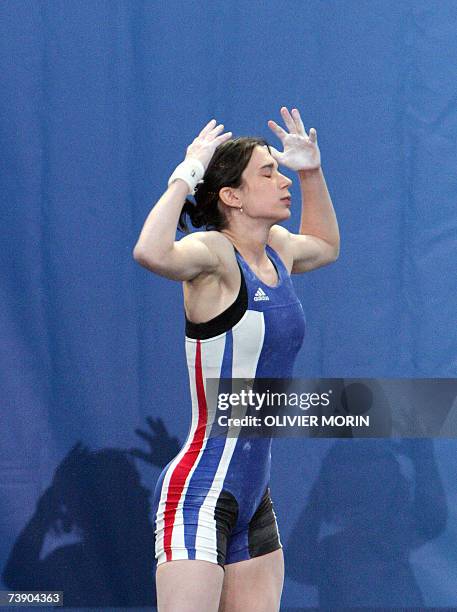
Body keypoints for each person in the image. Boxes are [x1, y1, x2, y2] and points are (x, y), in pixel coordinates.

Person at [133, 106, 339, 612]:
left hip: (255, 501)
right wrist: (186, 175)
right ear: (231, 196)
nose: (282, 180)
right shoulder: (213, 254)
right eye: (269, 173)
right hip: (198, 494)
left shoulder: (278, 250)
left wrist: (312, 173)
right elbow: (150, 252)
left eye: (282, 170)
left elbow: (328, 246)